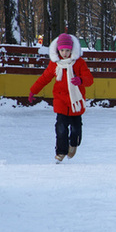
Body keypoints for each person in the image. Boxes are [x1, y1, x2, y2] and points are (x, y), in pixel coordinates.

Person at [29, 33, 94, 163]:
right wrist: (33, 90)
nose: (64, 53)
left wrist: (81, 80)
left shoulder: (79, 63)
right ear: (58, 50)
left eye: (67, 50)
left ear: (72, 50)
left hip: (76, 102)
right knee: (61, 128)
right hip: (61, 101)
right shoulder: (55, 64)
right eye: (62, 50)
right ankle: (61, 152)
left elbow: (89, 79)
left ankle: (73, 144)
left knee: (76, 129)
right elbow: (45, 78)